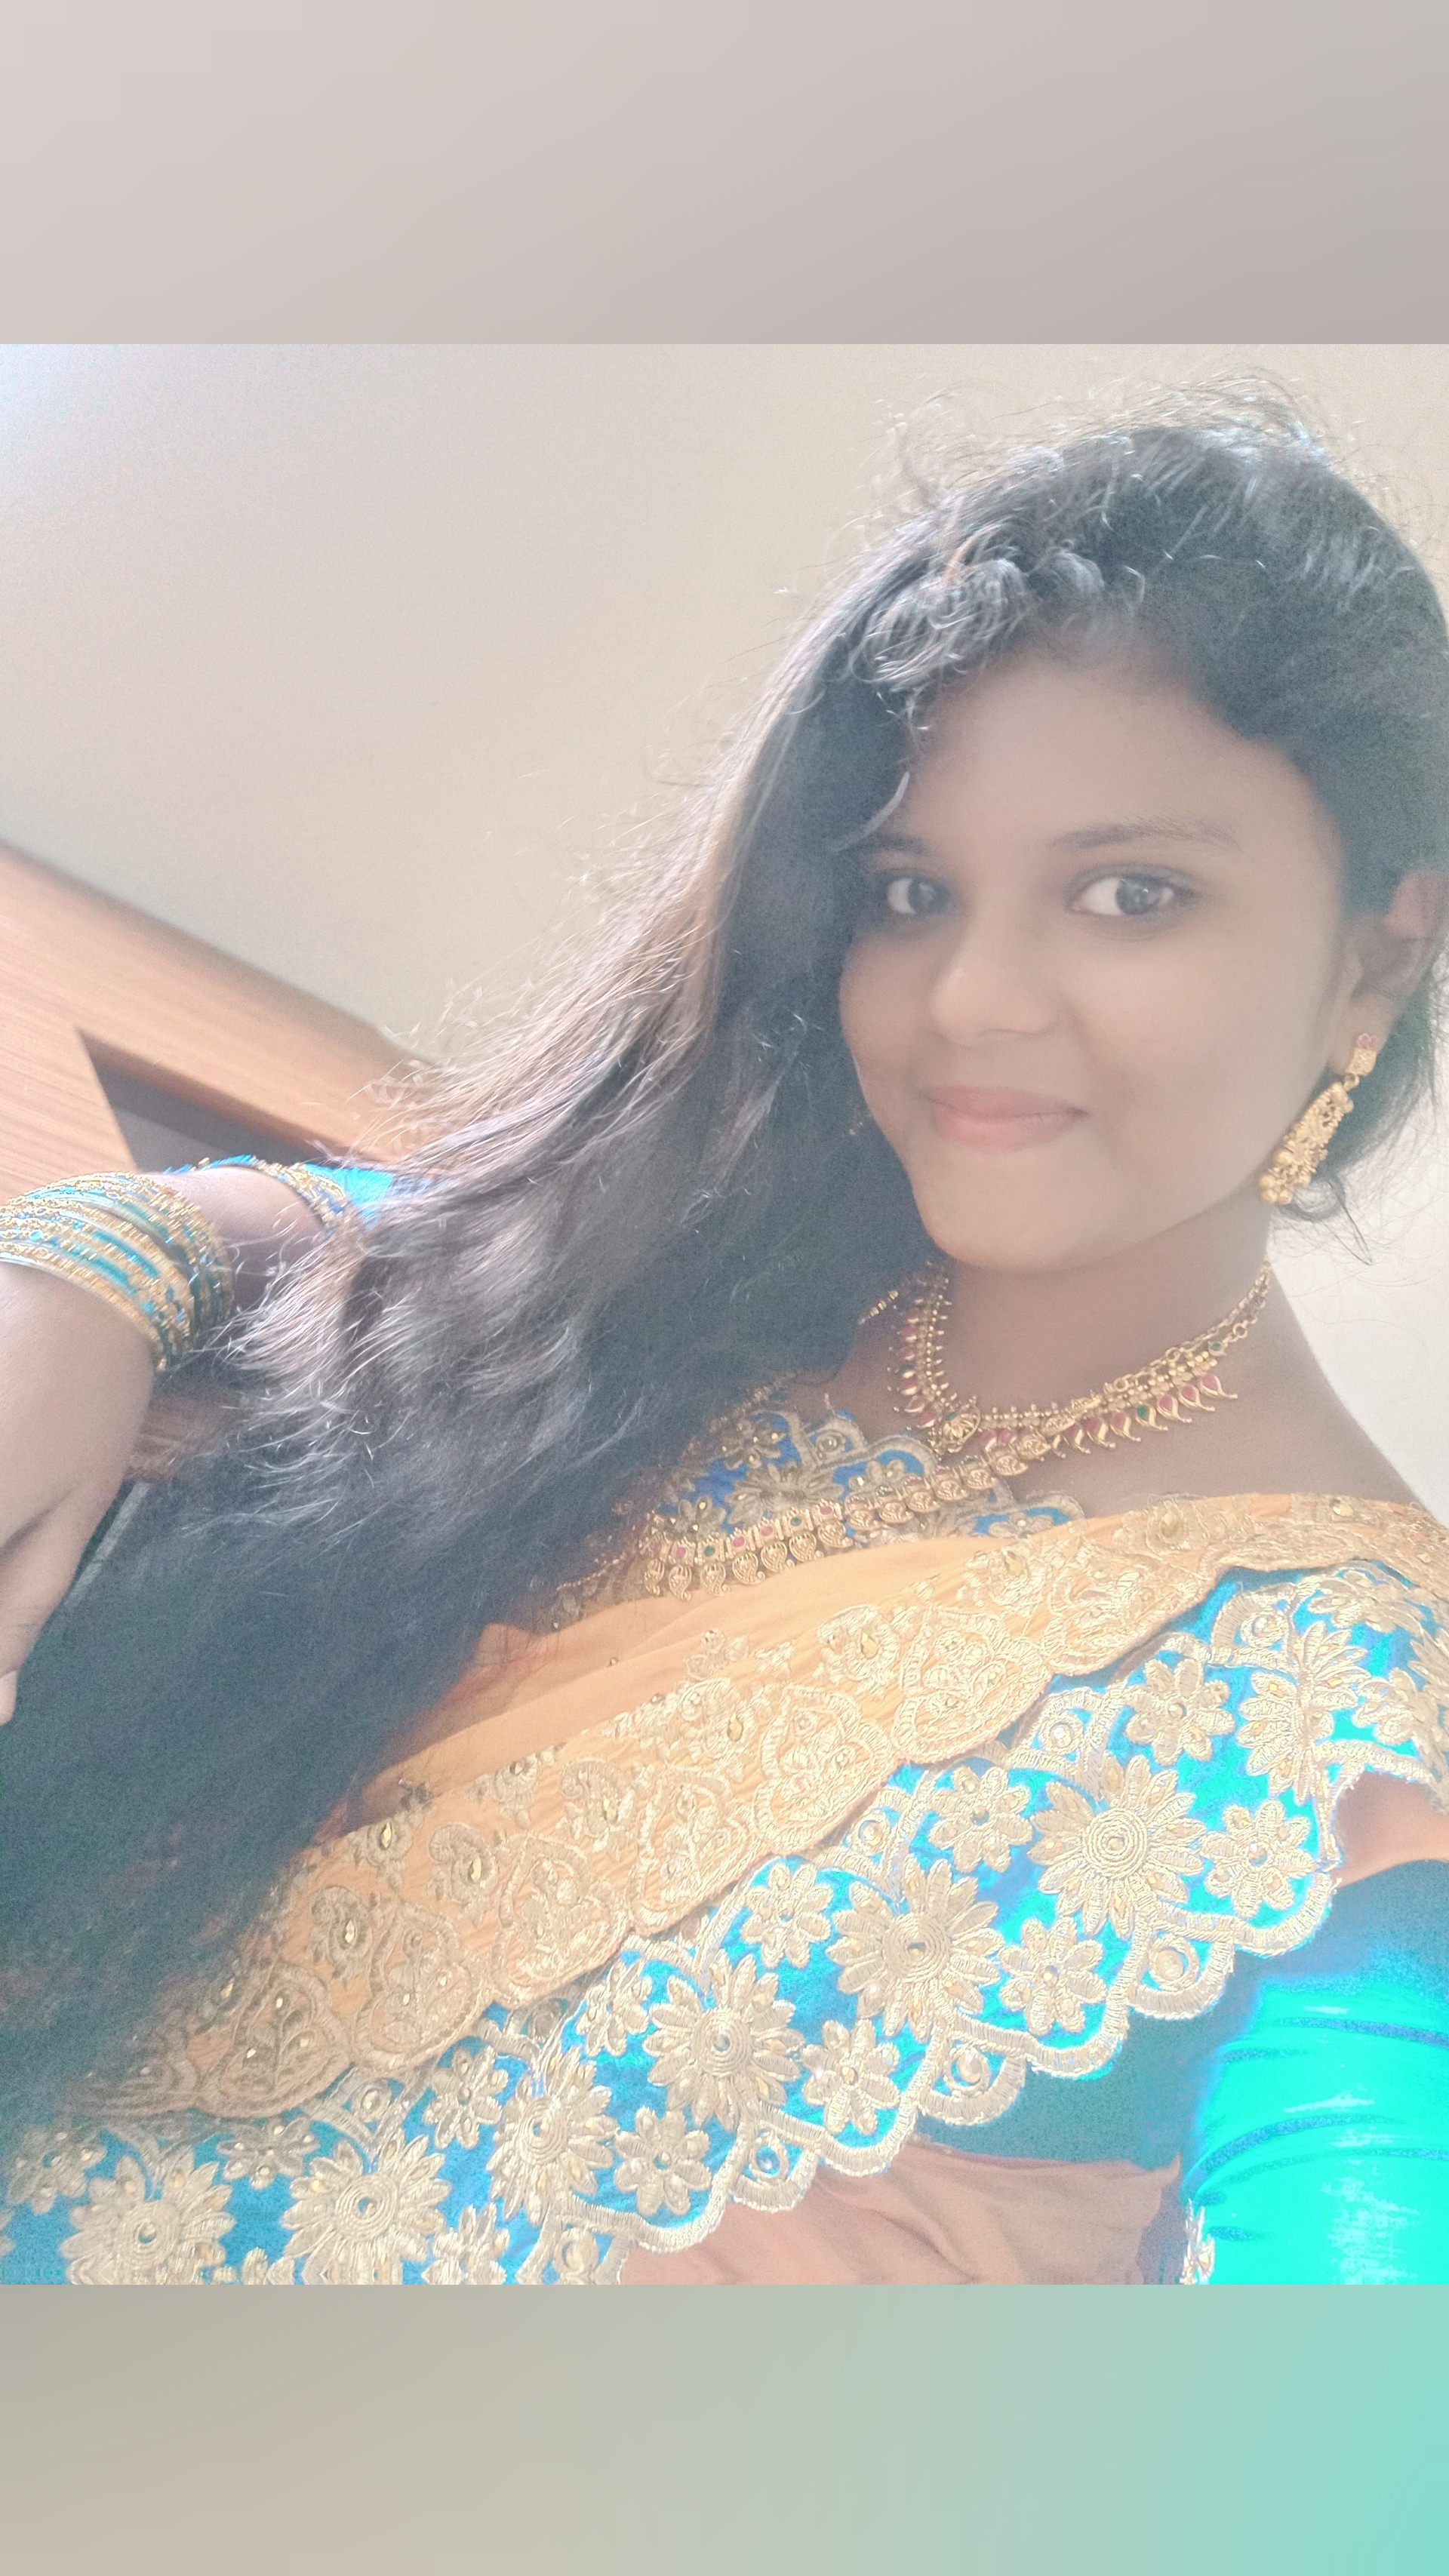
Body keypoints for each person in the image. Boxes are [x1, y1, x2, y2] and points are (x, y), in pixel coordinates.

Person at [2, 390, 1448, 2286]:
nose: (973, 1000)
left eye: (1131, 896)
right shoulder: (759, 1268)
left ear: (1378, 951)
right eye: (911, 895)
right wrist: (100, 1262)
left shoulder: (1349, 1730)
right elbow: (430, 1228)